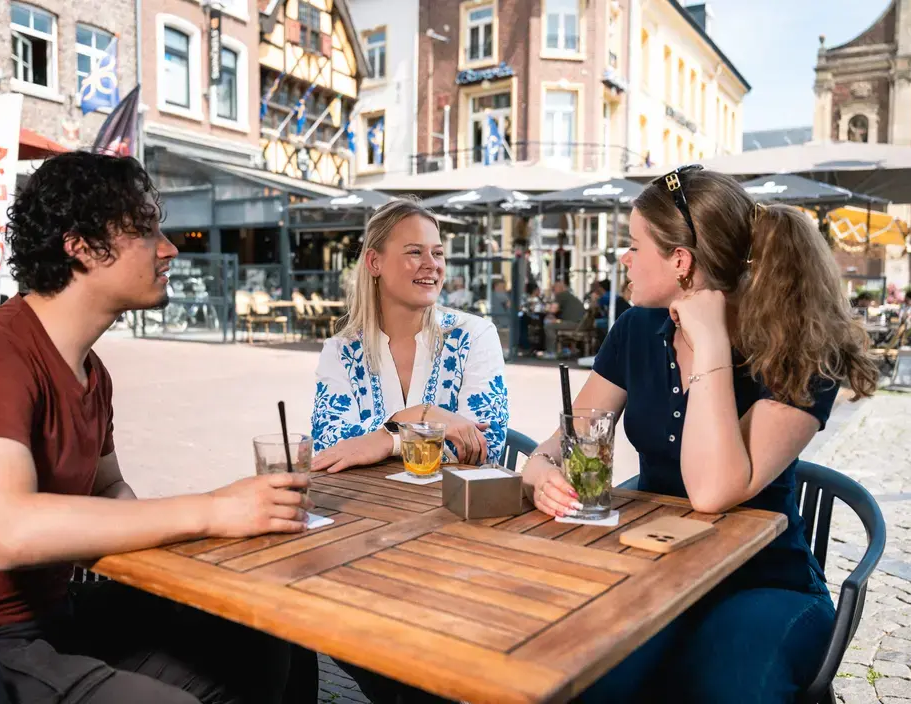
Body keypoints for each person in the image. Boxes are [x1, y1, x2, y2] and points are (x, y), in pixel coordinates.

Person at [0, 152, 311, 704]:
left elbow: (109, 490)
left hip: (51, 617)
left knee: (261, 627)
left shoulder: (90, 373)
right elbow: (7, 532)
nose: (170, 249)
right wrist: (212, 509)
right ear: (79, 247)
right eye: (147, 232)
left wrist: (212, 540)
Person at [520, 167, 878, 703]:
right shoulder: (637, 329)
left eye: (634, 245)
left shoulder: (797, 348)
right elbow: (564, 441)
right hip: (654, 570)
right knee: (580, 676)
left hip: (763, 583)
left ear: (681, 262)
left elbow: (712, 492)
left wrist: (708, 340)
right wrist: (540, 470)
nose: (624, 259)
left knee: (720, 688)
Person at [310, 199, 508, 472]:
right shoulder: (341, 350)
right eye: (415, 252)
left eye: (437, 253)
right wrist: (422, 416)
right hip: (365, 507)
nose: (432, 265)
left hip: (454, 510)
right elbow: (329, 448)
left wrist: (383, 440)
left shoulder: (475, 336)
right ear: (374, 262)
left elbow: (484, 446)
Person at [543, 280, 586, 358]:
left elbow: (553, 310)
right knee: (552, 323)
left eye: (554, 289)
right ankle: (558, 350)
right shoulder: (570, 296)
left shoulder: (561, 295)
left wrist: (545, 309)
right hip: (581, 324)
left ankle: (551, 352)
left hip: (574, 324)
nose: (553, 291)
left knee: (548, 326)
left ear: (560, 288)